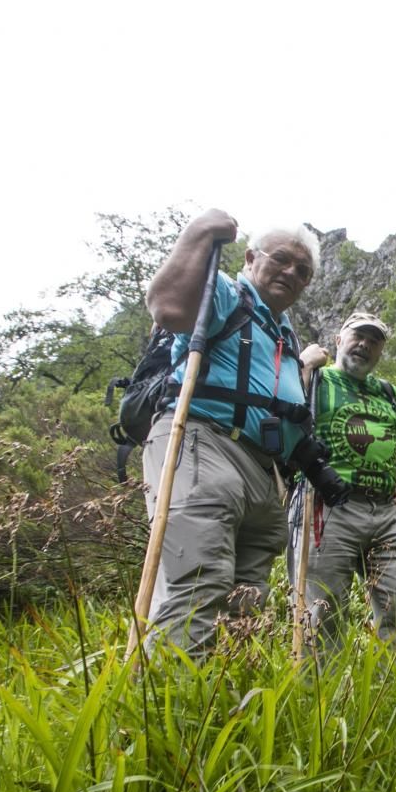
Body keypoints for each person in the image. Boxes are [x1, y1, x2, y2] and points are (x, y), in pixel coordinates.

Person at [141, 208, 318, 654]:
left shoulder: (284, 335)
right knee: (199, 585)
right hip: (203, 441)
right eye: (281, 259)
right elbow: (168, 308)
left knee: (245, 603)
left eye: (303, 271)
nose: (292, 273)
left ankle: (225, 711)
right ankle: (173, 710)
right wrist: (199, 231)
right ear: (250, 257)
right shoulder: (226, 294)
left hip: (263, 473)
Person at [293, 312, 396, 649]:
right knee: (323, 612)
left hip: (385, 513)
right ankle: (321, 697)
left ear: (381, 352)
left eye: (374, 340)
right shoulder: (318, 380)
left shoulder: (389, 394)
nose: (364, 344)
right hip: (328, 505)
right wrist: (304, 365)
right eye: (357, 336)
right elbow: (281, 412)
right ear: (339, 340)